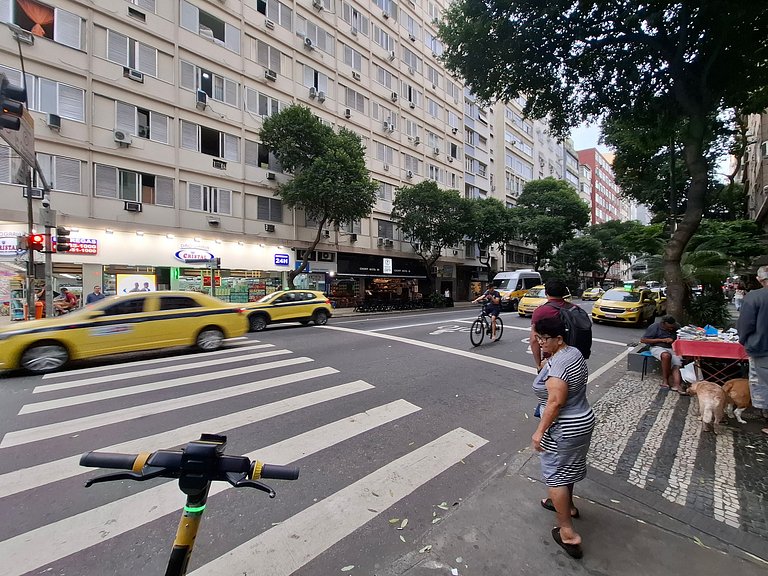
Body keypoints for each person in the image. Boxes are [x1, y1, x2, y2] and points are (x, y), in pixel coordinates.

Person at [531, 315, 595, 559]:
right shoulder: (573, 353)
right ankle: (568, 506)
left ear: (559, 338)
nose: (540, 343)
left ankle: (568, 533)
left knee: (555, 476)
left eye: (544, 339)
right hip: (581, 420)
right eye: (538, 338)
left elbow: (555, 402)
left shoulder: (559, 366)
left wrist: (539, 432)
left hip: (565, 427)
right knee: (567, 468)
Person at [737, 265, 768, 435]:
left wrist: (744, 340)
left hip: (762, 349)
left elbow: (745, 324)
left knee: (764, 385)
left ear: (759, 279)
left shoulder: (755, 297)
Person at [530, 279, 573, 368]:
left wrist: (538, 364)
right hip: (573, 357)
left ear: (546, 293)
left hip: (552, 360)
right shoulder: (575, 309)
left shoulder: (541, 311)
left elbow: (534, 340)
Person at [640, 315, 684, 393]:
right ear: (663, 324)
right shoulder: (654, 327)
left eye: (672, 327)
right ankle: (665, 380)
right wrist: (663, 340)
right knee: (666, 356)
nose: (671, 329)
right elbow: (643, 340)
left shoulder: (676, 326)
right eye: (669, 327)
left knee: (676, 364)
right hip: (657, 347)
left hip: (672, 348)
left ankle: (677, 385)